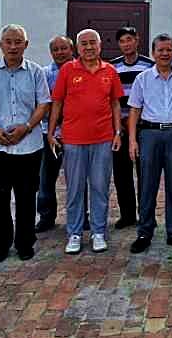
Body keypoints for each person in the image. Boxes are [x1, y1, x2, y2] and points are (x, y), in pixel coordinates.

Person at [0, 24, 51, 263]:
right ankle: (1, 244)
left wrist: (26, 127)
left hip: (29, 146)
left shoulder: (36, 72)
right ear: (1, 44)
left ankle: (25, 244)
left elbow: (43, 104)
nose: (13, 46)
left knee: (27, 198)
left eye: (18, 42)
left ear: (26, 45)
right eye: (8, 41)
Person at [48, 29, 124, 255]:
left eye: (93, 43)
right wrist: (52, 132)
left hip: (103, 139)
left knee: (100, 188)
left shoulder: (110, 70)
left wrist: (118, 132)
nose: (89, 47)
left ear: (100, 46)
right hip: (73, 139)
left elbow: (115, 104)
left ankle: (99, 232)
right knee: (74, 189)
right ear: (77, 48)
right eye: (84, 44)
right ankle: (74, 233)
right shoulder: (67, 70)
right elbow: (57, 103)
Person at [128, 34, 172, 254]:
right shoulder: (143, 78)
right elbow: (134, 110)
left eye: (169, 50)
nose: (165, 54)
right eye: (161, 50)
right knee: (147, 184)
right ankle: (144, 232)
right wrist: (132, 140)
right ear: (153, 53)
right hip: (149, 135)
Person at [110, 26, 154, 229]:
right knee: (121, 174)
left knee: (145, 174)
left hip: (143, 127)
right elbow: (111, 100)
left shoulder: (149, 66)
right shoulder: (112, 68)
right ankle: (127, 214)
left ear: (137, 40)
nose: (126, 44)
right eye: (122, 41)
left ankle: (146, 215)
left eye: (130, 39)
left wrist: (136, 122)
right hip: (120, 129)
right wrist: (120, 125)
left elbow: (153, 98)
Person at [36, 35, 76, 233]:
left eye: (64, 48)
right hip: (48, 133)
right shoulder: (43, 73)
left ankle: (80, 215)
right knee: (46, 178)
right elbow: (43, 102)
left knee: (77, 178)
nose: (60, 53)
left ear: (71, 49)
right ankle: (46, 216)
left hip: (76, 133)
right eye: (56, 49)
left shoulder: (81, 70)